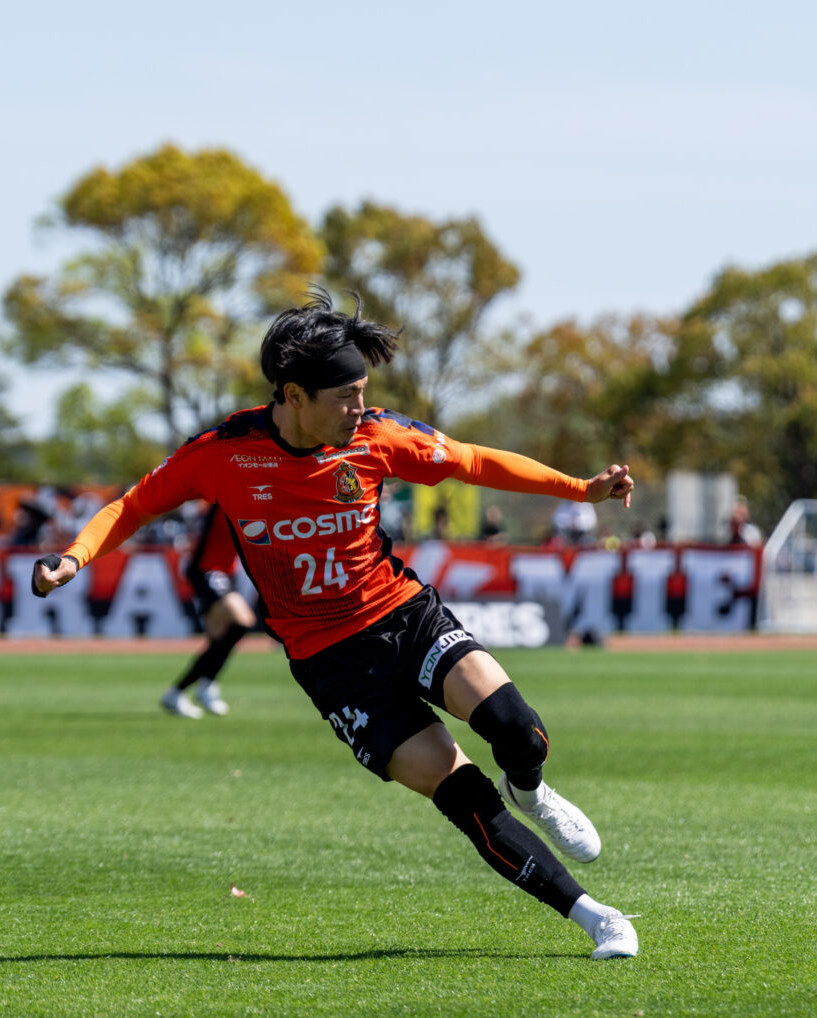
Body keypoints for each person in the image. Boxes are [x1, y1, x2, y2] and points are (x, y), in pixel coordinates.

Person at [32, 291, 640, 960]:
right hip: (333, 665)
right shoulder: (224, 452)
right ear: (294, 396)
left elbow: (470, 460)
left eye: (363, 394)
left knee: (516, 727)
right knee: (461, 792)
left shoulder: (377, 437)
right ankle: (598, 918)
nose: (359, 408)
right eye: (346, 396)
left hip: (404, 615)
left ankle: (532, 790)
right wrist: (74, 558)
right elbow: (133, 506)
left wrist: (580, 489)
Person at [161, 503, 259, 719]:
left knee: (219, 640)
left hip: (223, 571)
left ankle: (178, 692)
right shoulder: (224, 500)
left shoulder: (243, 501)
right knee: (242, 622)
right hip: (207, 570)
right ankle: (205, 685)